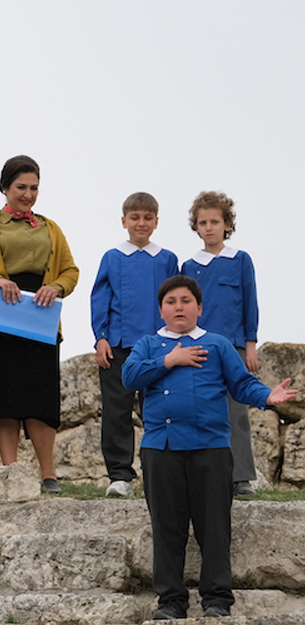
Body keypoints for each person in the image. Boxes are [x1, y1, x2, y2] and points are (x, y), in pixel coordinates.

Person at [123, 275, 296, 620]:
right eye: (171, 302)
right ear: (161, 310)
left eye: (186, 300)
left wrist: (268, 397)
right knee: (167, 527)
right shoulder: (147, 345)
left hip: (211, 448)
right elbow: (130, 377)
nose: (179, 307)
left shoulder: (216, 345)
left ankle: (217, 598)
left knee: (214, 526)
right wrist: (170, 360)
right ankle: (170, 601)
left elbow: (243, 384)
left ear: (199, 307)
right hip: (162, 448)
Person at [0, 155, 79, 494]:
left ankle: (48, 474)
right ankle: (10, 471)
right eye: (21, 187)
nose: (28, 194)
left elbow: (71, 272)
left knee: (40, 397)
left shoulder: (51, 227)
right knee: (2, 397)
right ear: (5, 188)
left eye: (34, 188)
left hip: (39, 317)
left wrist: (54, 288)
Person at [89, 192, 178, 497]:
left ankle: (160, 471)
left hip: (158, 348)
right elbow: (100, 300)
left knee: (158, 409)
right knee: (117, 410)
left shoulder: (167, 259)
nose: (141, 223)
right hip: (119, 347)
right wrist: (100, 337)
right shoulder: (112, 257)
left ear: (156, 222)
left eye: (147, 217)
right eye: (135, 217)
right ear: (124, 221)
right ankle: (119, 476)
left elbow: (174, 301)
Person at [181, 191, 259, 497]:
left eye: (215, 221)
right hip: (200, 348)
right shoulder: (188, 266)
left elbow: (250, 304)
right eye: (203, 222)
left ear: (227, 224)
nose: (209, 227)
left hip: (235, 348)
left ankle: (241, 477)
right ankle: (206, 477)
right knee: (201, 410)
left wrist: (250, 345)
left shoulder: (240, 260)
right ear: (196, 227)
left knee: (236, 411)